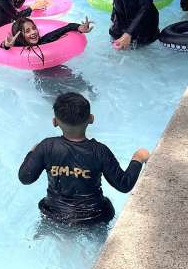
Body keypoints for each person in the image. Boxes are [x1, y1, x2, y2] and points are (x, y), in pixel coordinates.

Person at [18, 92, 149, 225]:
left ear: (55, 122)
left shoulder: (46, 147)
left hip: (54, 214)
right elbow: (124, 185)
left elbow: (25, 177)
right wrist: (138, 158)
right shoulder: (99, 151)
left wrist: (32, 152)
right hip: (93, 217)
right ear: (91, 119)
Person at [1, 15, 93, 61]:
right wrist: (6, 45)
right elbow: (3, 46)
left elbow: (65, 28)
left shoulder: (46, 39)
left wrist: (79, 27)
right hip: (42, 78)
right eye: (28, 31)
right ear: (20, 36)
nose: (33, 32)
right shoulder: (19, 45)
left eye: (34, 28)